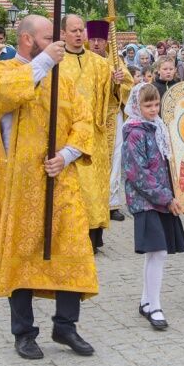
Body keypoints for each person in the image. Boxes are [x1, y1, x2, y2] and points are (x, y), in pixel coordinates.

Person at [0, 14, 98, 360]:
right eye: (50, 37)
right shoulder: (1, 71)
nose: (58, 42)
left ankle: (65, 325)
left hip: (60, 181)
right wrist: (46, 59)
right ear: (26, 40)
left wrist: (66, 155)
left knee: (74, 251)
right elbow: (9, 94)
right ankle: (24, 332)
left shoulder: (63, 80)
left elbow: (84, 120)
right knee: (20, 257)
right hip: (20, 187)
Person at [122, 83, 184, 330]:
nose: (153, 109)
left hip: (162, 199)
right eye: (147, 105)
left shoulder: (159, 127)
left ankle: (146, 301)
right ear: (137, 106)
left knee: (155, 253)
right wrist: (165, 197)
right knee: (158, 252)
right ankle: (155, 305)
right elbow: (137, 173)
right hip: (147, 201)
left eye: (156, 104)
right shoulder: (135, 132)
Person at [60, 14, 112, 253]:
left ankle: (94, 234)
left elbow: (111, 96)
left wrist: (116, 82)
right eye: (74, 30)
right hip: (69, 135)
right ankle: (72, 234)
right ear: (63, 34)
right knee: (75, 187)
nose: (79, 34)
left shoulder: (100, 63)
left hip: (95, 134)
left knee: (94, 187)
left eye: (82, 30)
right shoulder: (56, 62)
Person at [85, 20, 133, 223]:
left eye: (100, 40)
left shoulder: (114, 61)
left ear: (106, 42)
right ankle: (90, 201)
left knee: (114, 160)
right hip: (88, 116)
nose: (96, 43)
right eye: (93, 39)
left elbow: (129, 86)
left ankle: (112, 203)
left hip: (112, 115)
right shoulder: (84, 61)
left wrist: (119, 82)